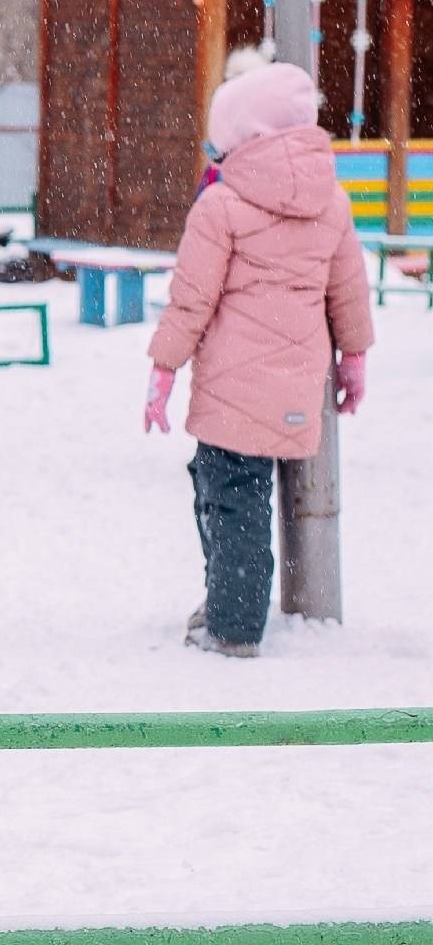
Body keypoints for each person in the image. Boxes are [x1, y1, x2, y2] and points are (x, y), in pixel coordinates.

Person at [145, 61, 373, 657]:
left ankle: (235, 626)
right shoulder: (333, 204)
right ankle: (229, 601)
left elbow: (190, 300)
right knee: (230, 495)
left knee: (229, 502)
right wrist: (354, 361)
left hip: (231, 390)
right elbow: (348, 290)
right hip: (299, 391)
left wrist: (163, 369)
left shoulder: (220, 207)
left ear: (242, 139)